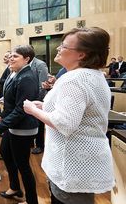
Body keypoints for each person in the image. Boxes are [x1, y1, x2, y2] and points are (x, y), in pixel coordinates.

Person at [23, 27, 115, 204]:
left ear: (82, 54)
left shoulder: (74, 79)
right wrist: (44, 106)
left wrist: (34, 110)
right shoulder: (92, 75)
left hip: (72, 163)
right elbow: (83, 112)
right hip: (84, 160)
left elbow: (64, 123)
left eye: (64, 46)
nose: (58, 48)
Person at [0, 45, 39, 204]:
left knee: (23, 165)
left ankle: (32, 201)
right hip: (14, 125)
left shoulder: (27, 77)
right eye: (10, 56)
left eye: (15, 56)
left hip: (23, 127)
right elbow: (11, 103)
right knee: (6, 153)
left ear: (27, 59)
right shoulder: (16, 73)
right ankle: (15, 187)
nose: (11, 58)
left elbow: (21, 109)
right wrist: (2, 115)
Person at [29, 51, 49, 155]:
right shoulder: (28, 64)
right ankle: (31, 143)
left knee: (39, 124)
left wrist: (38, 99)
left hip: (38, 99)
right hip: (30, 98)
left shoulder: (40, 64)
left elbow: (42, 84)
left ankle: (40, 145)